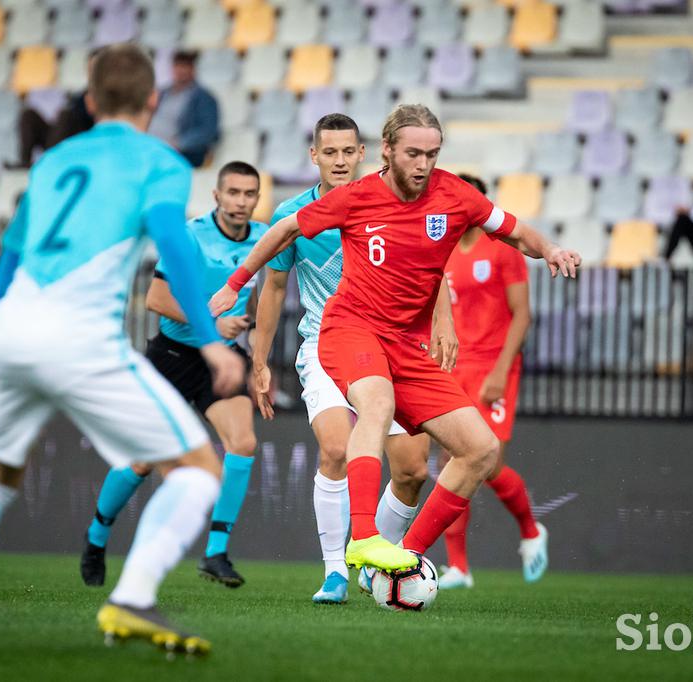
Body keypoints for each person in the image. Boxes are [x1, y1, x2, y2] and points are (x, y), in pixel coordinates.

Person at [0, 44, 243, 661]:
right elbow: (176, 249)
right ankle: (134, 595)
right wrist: (214, 342)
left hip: (12, 329)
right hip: (78, 336)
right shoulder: (160, 162)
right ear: (152, 101)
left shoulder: (55, 159)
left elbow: (9, 257)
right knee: (199, 471)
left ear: (90, 102)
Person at [210, 104, 580, 573]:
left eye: (432, 153)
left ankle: (406, 558)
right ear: (386, 151)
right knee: (375, 405)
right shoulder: (358, 196)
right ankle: (362, 539)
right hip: (350, 330)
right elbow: (284, 229)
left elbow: (513, 231)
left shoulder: (455, 195)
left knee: (480, 450)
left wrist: (549, 249)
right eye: (412, 154)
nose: (423, 165)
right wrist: (235, 284)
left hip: (407, 345)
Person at [250, 114, 457, 604]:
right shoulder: (294, 214)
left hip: (389, 345)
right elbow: (274, 287)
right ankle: (335, 571)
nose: (340, 160)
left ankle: (370, 558)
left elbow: (431, 264)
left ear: (363, 153)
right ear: (314, 156)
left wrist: (443, 319)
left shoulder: (390, 200)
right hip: (326, 344)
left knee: (411, 470)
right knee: (337, 449)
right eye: (330, 152)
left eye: (348, 151)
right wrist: (259, 360)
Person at [79, 162, 267, 590]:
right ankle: (97, 536)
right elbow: (156, 298)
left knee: (243, 442)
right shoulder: (190, 234)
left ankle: (216, 552)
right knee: (142, 460)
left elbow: (252, 295)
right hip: (174, 354)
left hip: (221, 357)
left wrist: (251, 337)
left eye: (249, 194)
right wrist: (211, 326)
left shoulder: (260, 239)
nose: (240, 201)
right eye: (233, 192)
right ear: (217, 196)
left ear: (257, 199)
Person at [437, 175, 547, 590]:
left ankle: (531, 530)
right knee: (451, 463)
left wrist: (502, 371)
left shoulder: (501, 248)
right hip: (455, 365)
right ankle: (459, 567)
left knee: (488, 463)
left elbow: (522, 314)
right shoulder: (443, 250)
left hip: (494, 365)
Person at [14, 54, 96, 169]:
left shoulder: (108, 96)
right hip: (61, 140)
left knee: (65, 115)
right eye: (90, 67)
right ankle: (25, 162)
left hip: (83, 140)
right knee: (28, 115)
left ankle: (50, 162)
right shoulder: (80, 95)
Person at [149, 50, 220, 168]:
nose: (181, 70)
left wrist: (178, 144)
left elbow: (208, 132)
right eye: (178, 65)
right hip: (152, 147)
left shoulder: (204, 98)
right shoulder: (162, 93)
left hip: (179, 153)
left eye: (185, 66)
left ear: (193, 69)